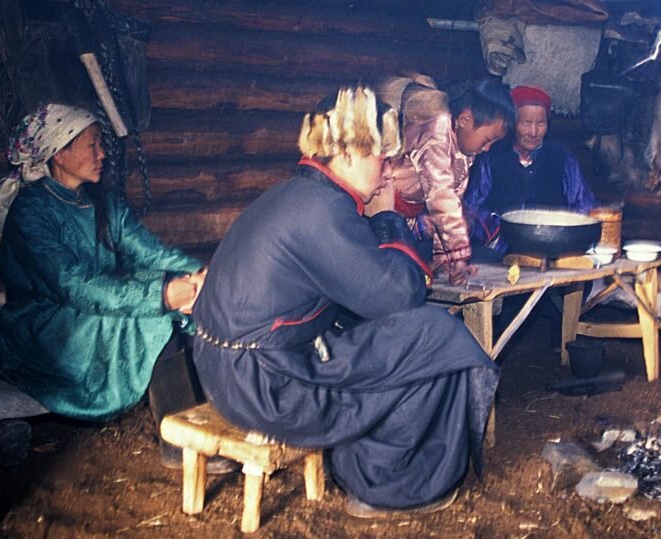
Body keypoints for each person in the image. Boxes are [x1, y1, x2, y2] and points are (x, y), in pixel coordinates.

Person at [190, 87, 499, 518]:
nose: (388, 171)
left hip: (228, 372)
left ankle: (372, 461)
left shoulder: (297, 196)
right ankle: (386, 484)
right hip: (265, 387)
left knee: (394, 336)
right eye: (383, 158)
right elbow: (399, 297)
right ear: (351, 153)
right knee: (435, 333)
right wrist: (389, 216)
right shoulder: (321, 210)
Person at [0, 103, 227, 470]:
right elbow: (74, 286)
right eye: (93, 145)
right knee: (154, 314)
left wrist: (202, 277)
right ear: (60, 153)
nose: (102, 154)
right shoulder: (31, 212)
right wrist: (162, 296)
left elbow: (152, 254)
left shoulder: (105, 204)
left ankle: (208, 423)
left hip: (91, 307)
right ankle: (179, 446)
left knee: (173, 299)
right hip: (45, 328)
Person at [384, 76, 515, 284]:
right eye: (488, 140)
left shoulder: (464, 150)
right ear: (464, 119)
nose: (487, 149)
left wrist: (447, 260)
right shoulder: (437, 128)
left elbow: (451, 203)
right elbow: (440, 194)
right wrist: (459, 255)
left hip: (406, 219)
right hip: (383, 213)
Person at [465, 84, 595, 253]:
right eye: (526, 123)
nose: (534, 132)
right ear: (512, 123)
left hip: (552, 248)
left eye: (541, 123)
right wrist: (495, 225)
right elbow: (473, 207)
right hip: (501, 250)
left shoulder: (562, 157)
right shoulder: (492, 156)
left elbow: (583, 205)